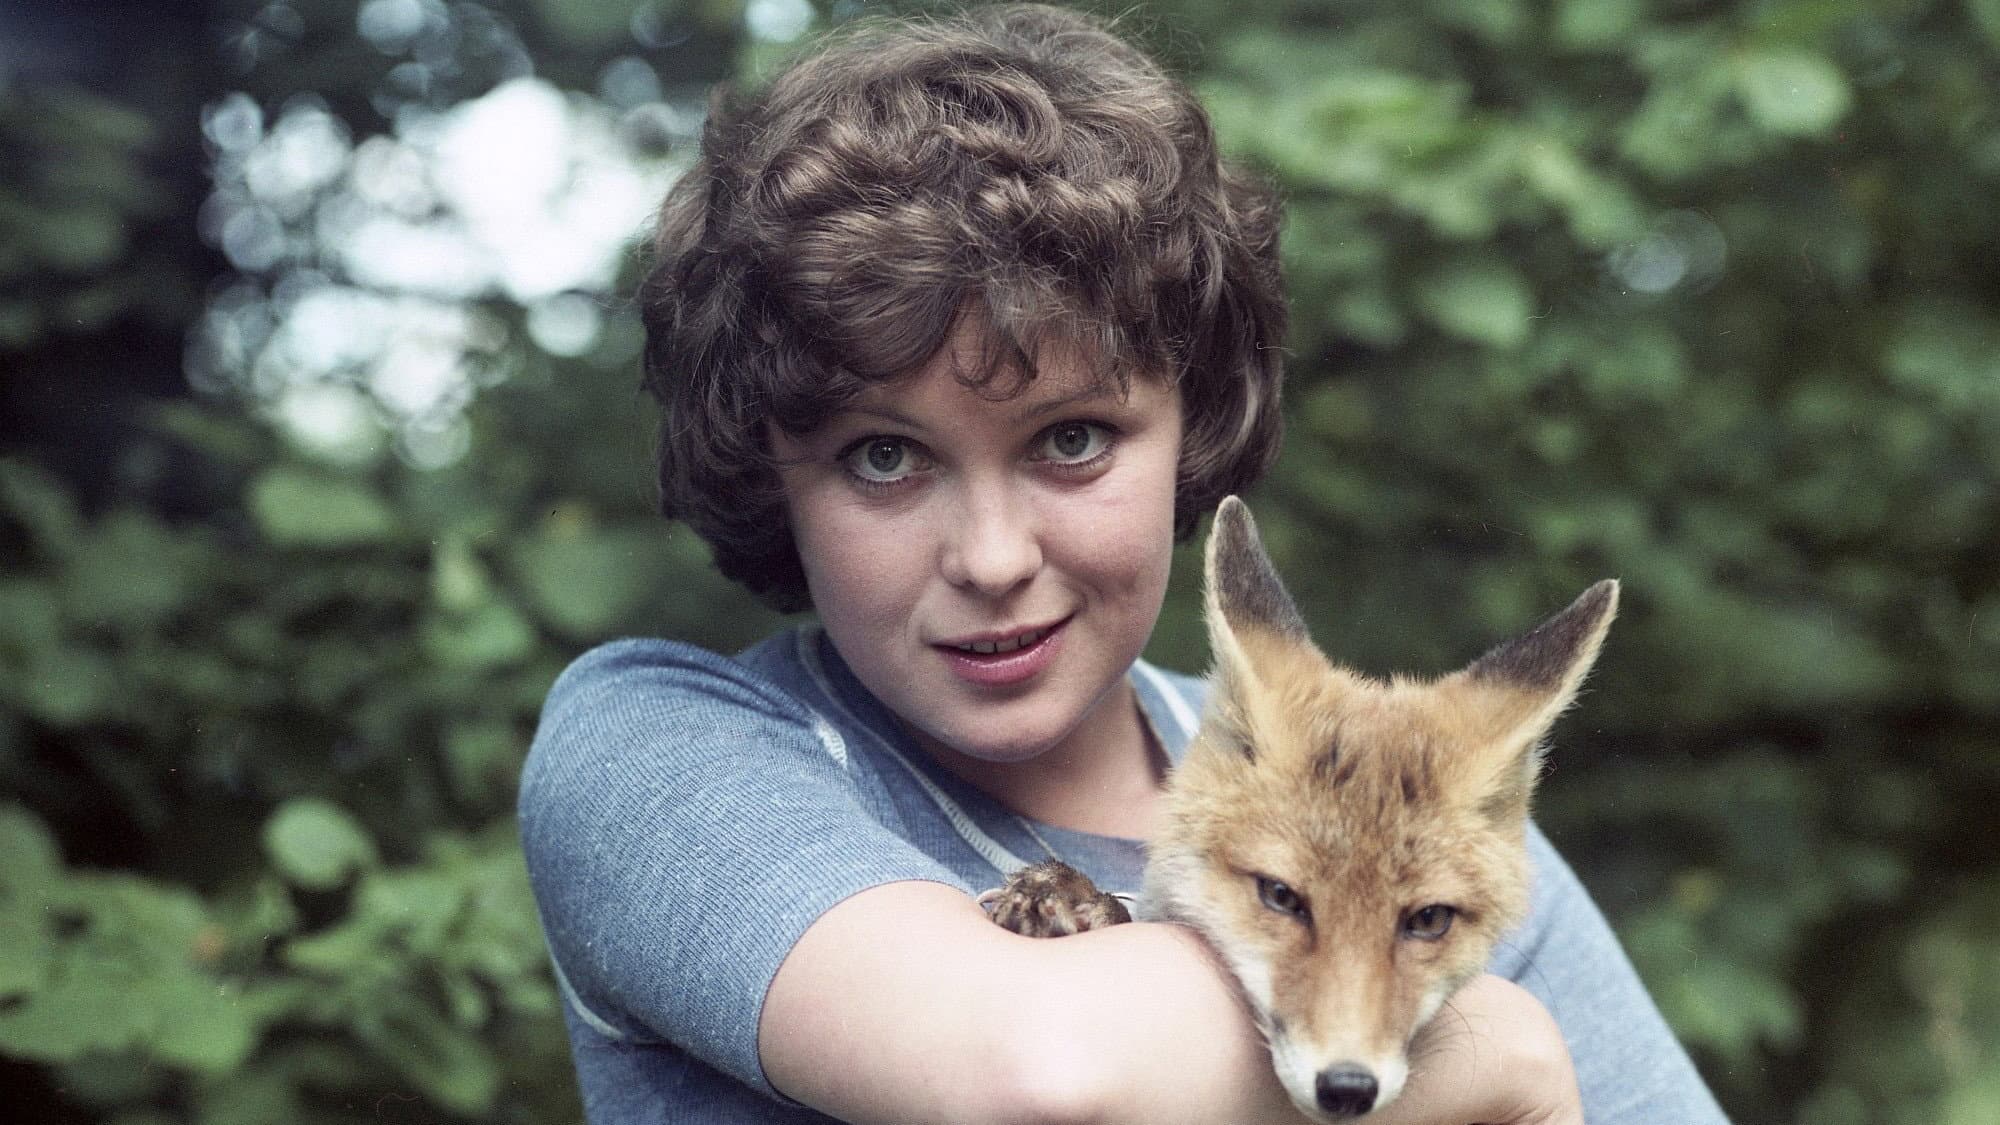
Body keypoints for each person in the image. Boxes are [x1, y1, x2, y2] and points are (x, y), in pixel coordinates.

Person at [517, 5, 1732, 1123]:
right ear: (770, 472)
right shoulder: (659, 753)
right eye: (884, 457)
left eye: (1070, 439)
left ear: (1191, 423)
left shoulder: (1416, 821)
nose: (993, 558)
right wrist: (1505, 1051)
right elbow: (1044, 1073)